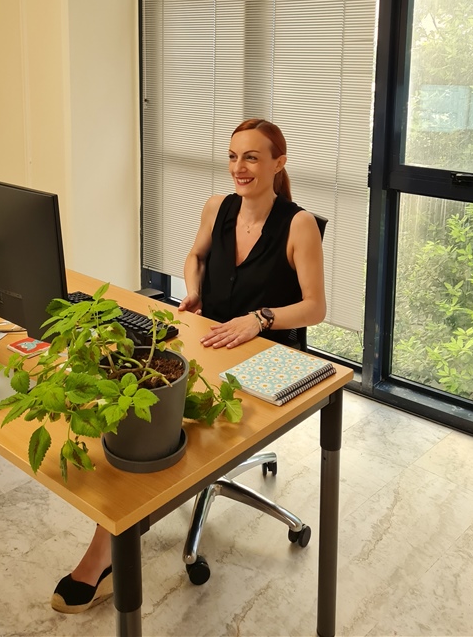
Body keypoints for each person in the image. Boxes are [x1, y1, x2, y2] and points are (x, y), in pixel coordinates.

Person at [51, 118, 326, 614]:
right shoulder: (217, 207)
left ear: (278, 163)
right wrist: (194, 289)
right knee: (143, 397)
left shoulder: (298, 224)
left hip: (270, 357)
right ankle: (119, 531)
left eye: (252, 157)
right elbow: (195, 256)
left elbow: (314, 308)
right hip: (210, 339)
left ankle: (101, 558)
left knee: (156, 425)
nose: (239, 168)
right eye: (233, 156)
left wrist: (258, 319)